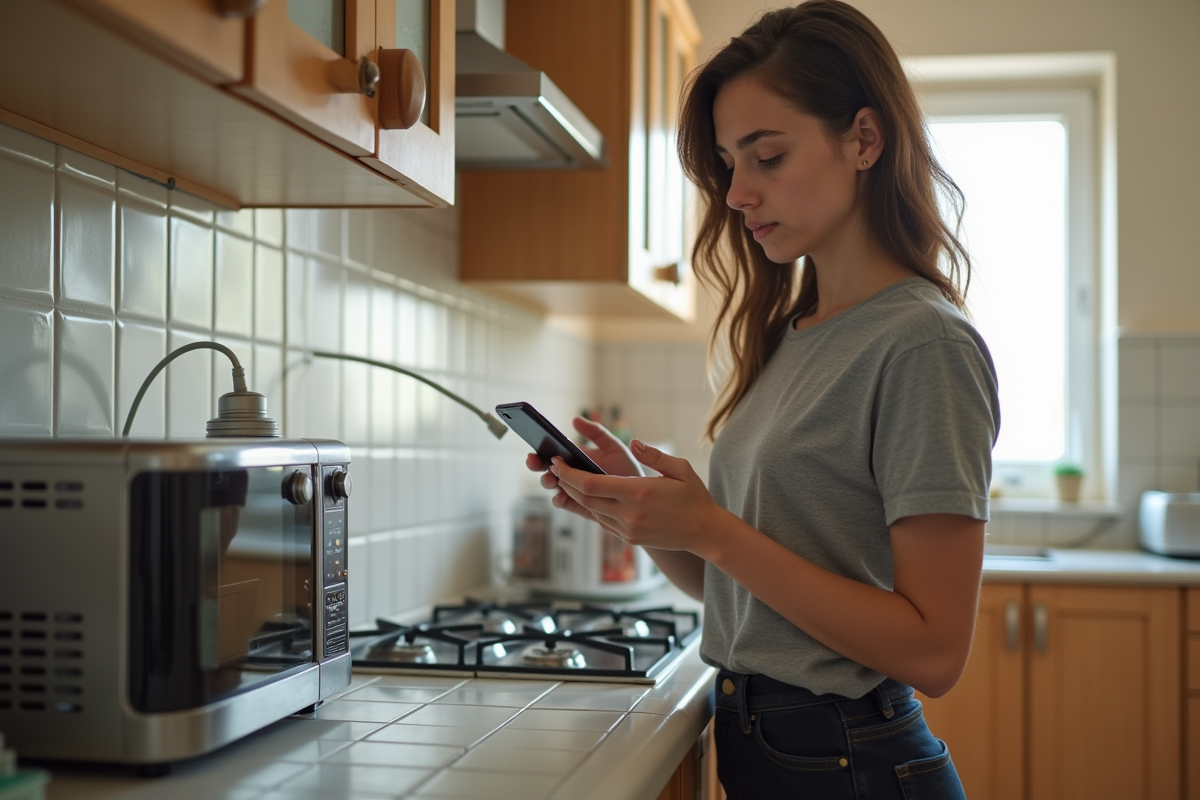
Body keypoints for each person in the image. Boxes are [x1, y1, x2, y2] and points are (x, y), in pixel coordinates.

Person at [525, 2, 999, 797]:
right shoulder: (789, 335)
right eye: (727, 163)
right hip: (771, 746)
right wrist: (650, 522)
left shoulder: (923, 344)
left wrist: (714, 528)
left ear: (864, 140)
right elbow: (751, 597)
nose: (737, 192)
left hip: (851, 763)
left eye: (767, 156)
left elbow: (933, 653)